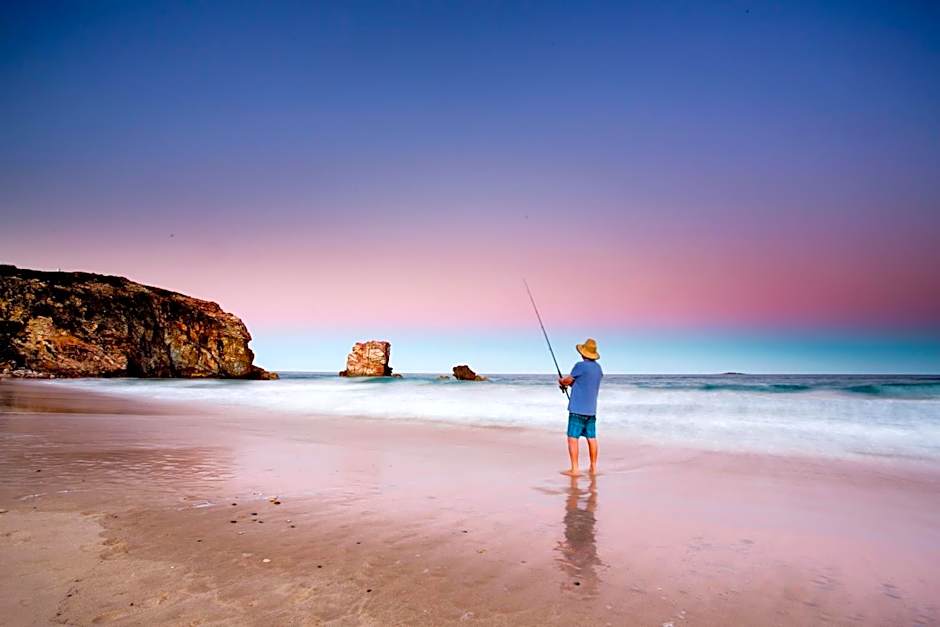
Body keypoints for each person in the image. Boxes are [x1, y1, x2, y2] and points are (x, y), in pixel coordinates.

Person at [558, 338, 603, 476]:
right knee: (592, 438)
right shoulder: (598, 369)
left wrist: (561, 381)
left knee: (573, 437)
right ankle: (594, 468)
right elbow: (583, 384)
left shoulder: (580, 366)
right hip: (591, 410)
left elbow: (568, 380)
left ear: (583, 353)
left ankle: (575, 469)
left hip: (577, 409)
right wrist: (569, 384)